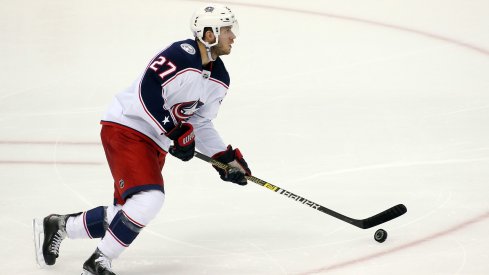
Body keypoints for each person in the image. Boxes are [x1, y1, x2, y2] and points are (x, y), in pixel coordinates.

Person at [33, 4, 251, 275]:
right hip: (127, 126)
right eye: (228, 30)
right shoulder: (180, 55)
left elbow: (200, 122)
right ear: (209, 34)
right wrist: (174, 131)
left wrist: (223, 158)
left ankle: (61, 225)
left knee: (127, 212)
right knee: (149, 200)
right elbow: (148, 91)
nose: (234, 36)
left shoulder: (220, 77)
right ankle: (98, 263)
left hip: (154, 140)